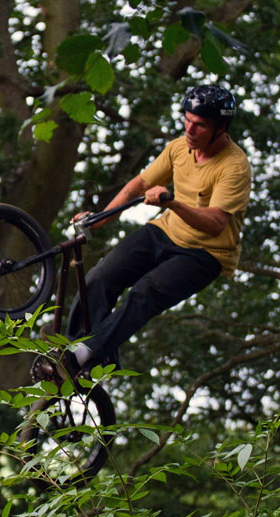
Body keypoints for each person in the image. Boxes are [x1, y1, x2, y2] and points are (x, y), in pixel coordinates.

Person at [58, 83, 249, 377]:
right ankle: (75, 350)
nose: (190, 129)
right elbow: (140, 184)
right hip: (165, 231)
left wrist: (172, 203)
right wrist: (101, 218)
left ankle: (85, 354)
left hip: (206, 253)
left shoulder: (234, 166)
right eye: (186, 120)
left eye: (199, 125)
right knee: (100, 276)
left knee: (144, 293)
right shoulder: (178, 148)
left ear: (221, 128)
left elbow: (215, 223)